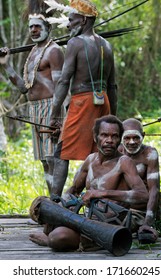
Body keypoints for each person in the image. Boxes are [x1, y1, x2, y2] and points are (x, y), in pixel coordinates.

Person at [29, 115, 149, 251]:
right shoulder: (90, 160)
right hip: (85, 221)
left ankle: (52, 240)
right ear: (95, 137)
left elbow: (143, 195)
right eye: (104, 135)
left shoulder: (124, 162)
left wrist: (103, 193)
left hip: (110, 225)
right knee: (49, 214)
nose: (109, 140)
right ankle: (54, 235)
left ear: (119, 139)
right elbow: (73, 190)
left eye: (114, 136)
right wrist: (59, 209)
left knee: (58, 237)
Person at [46, 0, 118, 198]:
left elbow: (63, 81)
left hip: (82, 103)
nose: (68, 24)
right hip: (103, 102)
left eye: (72, 20)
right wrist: (113, 119)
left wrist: (54, 114)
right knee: (99, 153)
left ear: (84, 20)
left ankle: (54, 203)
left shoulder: (75, 43)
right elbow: (112, 86)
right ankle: (98, 202)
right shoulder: (107, 46)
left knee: (61, 153)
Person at [0, 0, 67, 194]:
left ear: (48, 27)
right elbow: (24, 88)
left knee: (54, 157)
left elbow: (60, 87)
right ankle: (54, 202)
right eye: (31, 27)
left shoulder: (54, 51)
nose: (34, 30)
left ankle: (57, 203)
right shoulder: (33, 52)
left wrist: (57, 116)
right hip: (35, 109)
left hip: (51, 108)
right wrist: (6, 65)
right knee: (45, 160)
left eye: (38, 26)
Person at [118, 118, 160, 243]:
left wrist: (148, 222)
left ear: (143, 136)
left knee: (118, 230)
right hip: (118, 209)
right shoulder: (116, 152)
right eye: (127, 138)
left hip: (139, 211)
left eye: (136, 138)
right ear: (121, 137)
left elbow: (154, 189)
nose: (131, 142)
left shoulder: (149, 154)